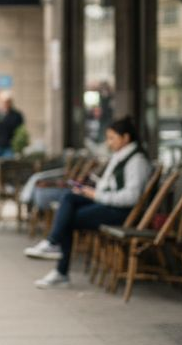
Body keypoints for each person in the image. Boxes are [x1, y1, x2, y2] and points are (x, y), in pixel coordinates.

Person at [24, 116, 152, 289]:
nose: (108, 143)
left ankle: (58, 260)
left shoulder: (137, 162)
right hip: (108, 204)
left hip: (122, 212)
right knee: (69, 197)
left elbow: (131, 198)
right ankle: (54, 247)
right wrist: (88, 191)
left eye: (112, 138)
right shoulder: (120, 156)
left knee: (67, 219)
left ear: (126, 138)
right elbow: (107, 185)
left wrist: (96, 195)